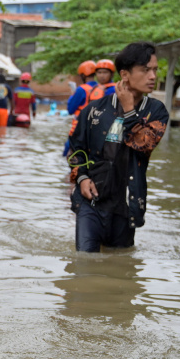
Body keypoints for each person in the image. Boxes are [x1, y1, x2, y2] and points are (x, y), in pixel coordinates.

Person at [68, 41, 169, 252]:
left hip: (126, 204)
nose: (153, 76)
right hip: (91, 200)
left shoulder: (156, 112)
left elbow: (144, 144)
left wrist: (129, 109)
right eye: (145, 70)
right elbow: (76, 149)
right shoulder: (94, 110)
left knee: (120, 265)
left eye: (154, 70)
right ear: (125, 74)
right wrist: (82, 177)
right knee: (84, 263)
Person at [63, 60, 97, 156]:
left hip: (79, 127)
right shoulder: (101, 88)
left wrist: (72, 94)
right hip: (95, 128)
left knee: (68, 152)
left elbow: (70, 109)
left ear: (83, 75)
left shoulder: (81, 89)